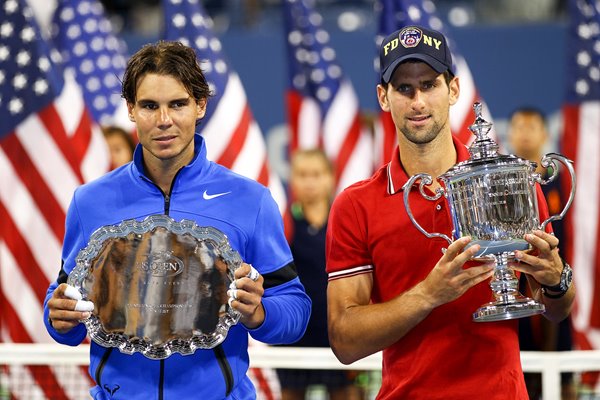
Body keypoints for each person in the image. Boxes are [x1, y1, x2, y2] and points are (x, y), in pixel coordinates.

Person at [43, 41, 311, 400]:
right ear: (131, 110)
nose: (164, 120)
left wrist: (259, 313)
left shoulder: (251, 201)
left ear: (200, 105)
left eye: (178, 104)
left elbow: (295, 310)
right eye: (150, 106)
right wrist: (58, 317)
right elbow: (66, 302)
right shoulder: (90, 201)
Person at [325, 25, 575, 399]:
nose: (418, 102)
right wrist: (428, 294)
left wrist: (557, 280)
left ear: (453, 89)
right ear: (383, 97)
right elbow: (344, 341)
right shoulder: (355, 205)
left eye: (429, 84)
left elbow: (555, 309)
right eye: (404, 89)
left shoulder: (511, 183)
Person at [277, 149, 363, 400]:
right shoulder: (284, 223)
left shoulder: (345, 221)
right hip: (295, 334)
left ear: (330, 178)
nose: (310, 182)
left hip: (338, 330)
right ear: (292, 179)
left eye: (316, 174)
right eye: (303, 175)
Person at [508, 107, 575, 400]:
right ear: (509, 134)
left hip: (555, 286)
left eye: (531, 127)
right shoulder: (502, 188)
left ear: (545, 135)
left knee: (560, 381)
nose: (524, 133)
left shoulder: (561, 186)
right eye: (518, 127)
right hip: (516, 289)